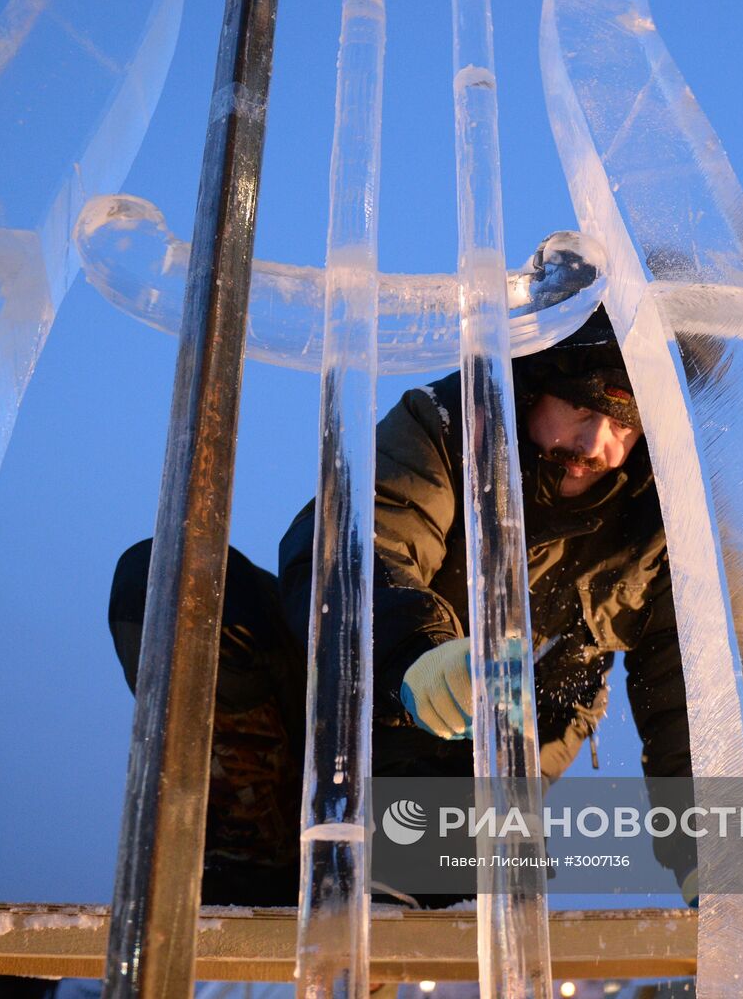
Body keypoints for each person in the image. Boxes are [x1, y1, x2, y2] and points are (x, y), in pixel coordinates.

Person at [108, 304, 693, 906]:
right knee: (173, 576)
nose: (598, 444)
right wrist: (419, 652)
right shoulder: (449, 427)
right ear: (538, 383)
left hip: (467, 791)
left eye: (625, 427)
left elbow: (685, 700)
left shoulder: (661, 524)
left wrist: (713, 862)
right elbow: (358, 544)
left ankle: (407, 886)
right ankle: (254, 841)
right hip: (335, 720)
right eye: (584, 409)